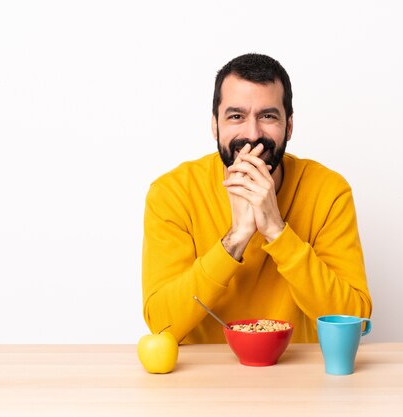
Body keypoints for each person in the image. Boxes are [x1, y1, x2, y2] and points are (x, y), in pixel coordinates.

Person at [142, 53, 372, 344]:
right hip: (201, 378)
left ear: (288, 125)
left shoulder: (328, 192)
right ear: (215, 125)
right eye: (236, 116)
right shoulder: (172, 193)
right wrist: (236, 238)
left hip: (298, 375)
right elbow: (162, 325)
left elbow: (354, 321)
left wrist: (276, 230)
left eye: (268, 116)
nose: (252, 134)